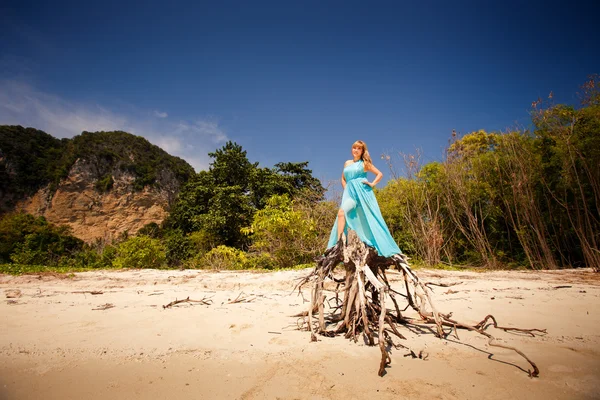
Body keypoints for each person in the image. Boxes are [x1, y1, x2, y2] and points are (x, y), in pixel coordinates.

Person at [326, 140, 402, 257]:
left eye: (359, 148)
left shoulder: (364, 164)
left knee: (371, 218)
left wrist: (372, 184)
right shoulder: (347, 163)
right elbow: (343, 178)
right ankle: (339, 244)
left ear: (362, 151)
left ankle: (379, 246)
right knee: (341, 213)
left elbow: (379, 174)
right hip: (350, 194)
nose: (356, 150)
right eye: (354, 148)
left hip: (363, 193)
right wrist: (347, 189)